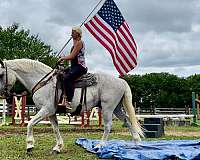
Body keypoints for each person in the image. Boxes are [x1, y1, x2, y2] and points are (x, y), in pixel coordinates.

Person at [58, 26, 87, 110]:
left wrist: (62, 58)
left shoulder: (79, 43)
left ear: (77, 33)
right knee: (60, 74)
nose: (71, 34)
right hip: (74, 66)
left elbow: (72, 56)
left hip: (80, 67)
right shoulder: (76, 42)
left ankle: (69, 101)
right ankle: (62, 97)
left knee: (67, 79)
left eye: (73, 32)